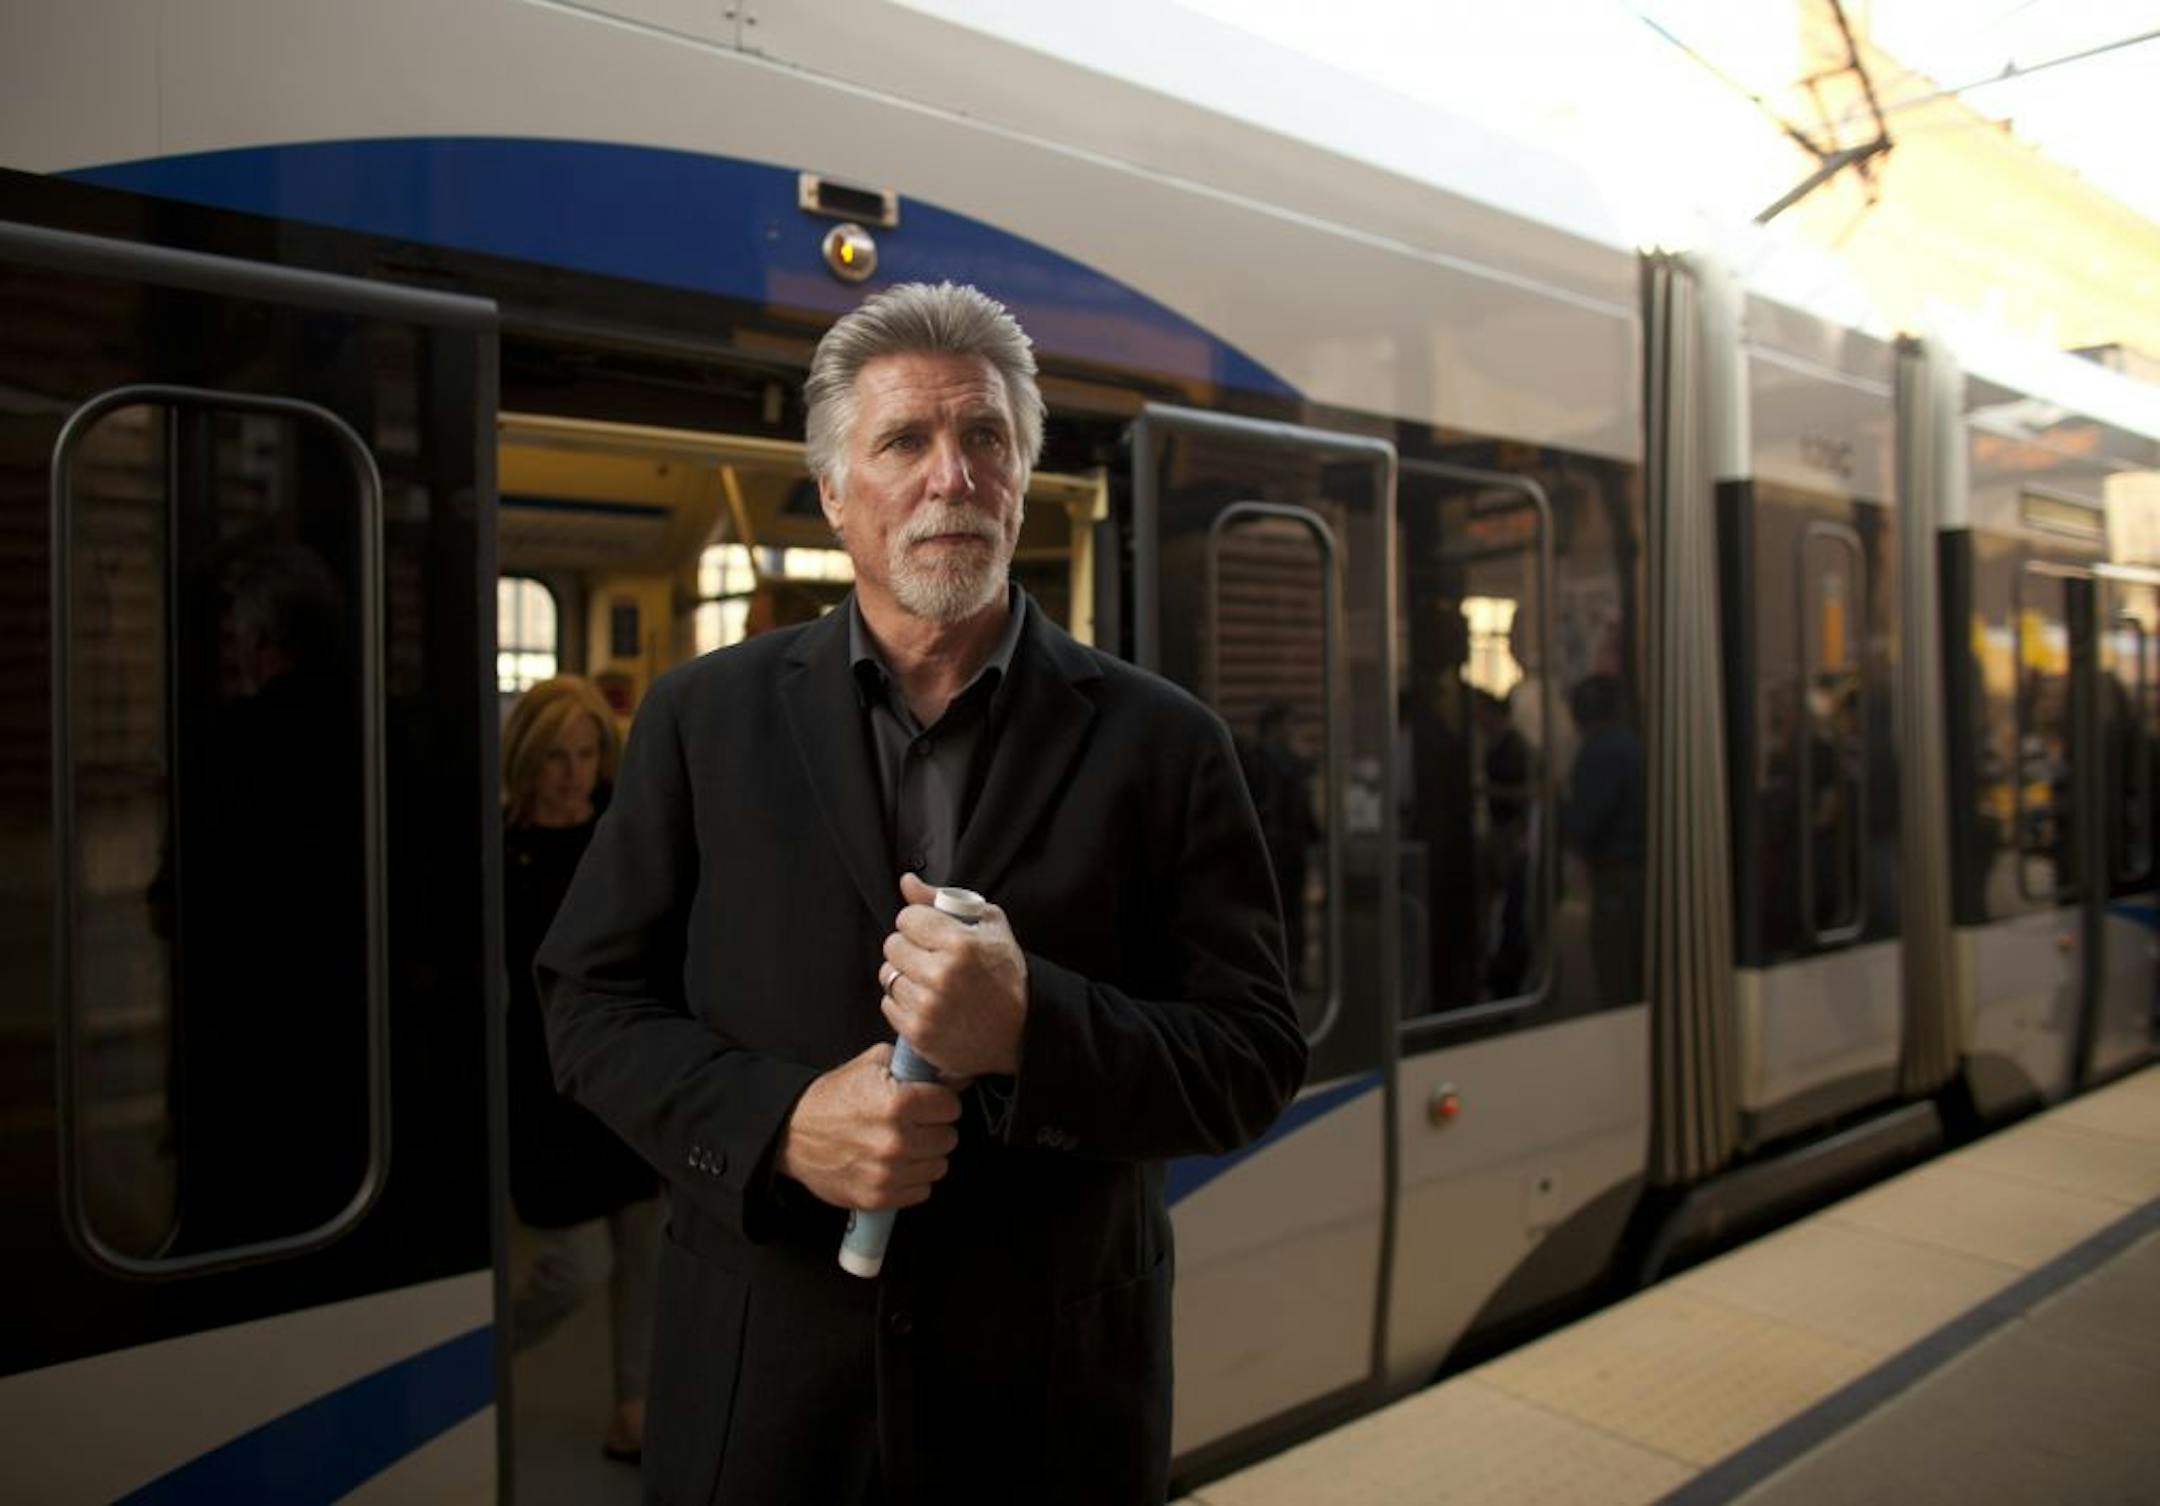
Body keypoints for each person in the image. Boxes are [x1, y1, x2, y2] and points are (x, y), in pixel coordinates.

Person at [537, 282, 1306, 1505]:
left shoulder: (1167, 744)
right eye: (904, 440)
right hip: (761, 1405)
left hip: (1049, 1415)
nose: (953, 476)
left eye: (985, 436)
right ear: (836, 494)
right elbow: (586, 1006)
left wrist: (1030, 1026)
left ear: (1022, 476)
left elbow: (1254, 1056)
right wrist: (783, 1126)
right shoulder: (701, 721)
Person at [500, 676, 660, 1464]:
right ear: (527, 761)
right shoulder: (501, 853)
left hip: (623, 1069)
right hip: (541, 1082)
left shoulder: (618, 841)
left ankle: (634, 1408)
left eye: (586, 754)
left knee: (645, 1256)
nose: (571, 774)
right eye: (555, 757)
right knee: (578, 1266)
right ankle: (475, 1359)